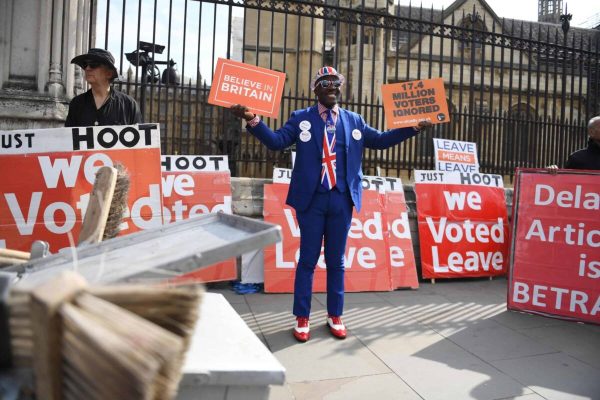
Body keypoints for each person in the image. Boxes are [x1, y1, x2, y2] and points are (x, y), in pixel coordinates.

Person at [231, 66, 429, 342]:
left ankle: (335, 315)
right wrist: (252, 120)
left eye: (336, 83)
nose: (332, 87)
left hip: (341, 198)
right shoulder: (301, 118)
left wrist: (413, 128)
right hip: (311, 200)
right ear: (316, 89)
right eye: (325, 83)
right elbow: (276, 142)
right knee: (308, 260)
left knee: (337, 262)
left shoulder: (355, 120)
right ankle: (302, 318)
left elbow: (382, 141)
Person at [66, 48, 142, 127]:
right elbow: (67, 137)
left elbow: (140, 137)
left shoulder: (128, 105)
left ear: (109, 73)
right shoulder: (77, 104)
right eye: (85, 64)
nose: (87, 68)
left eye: (93, 64)